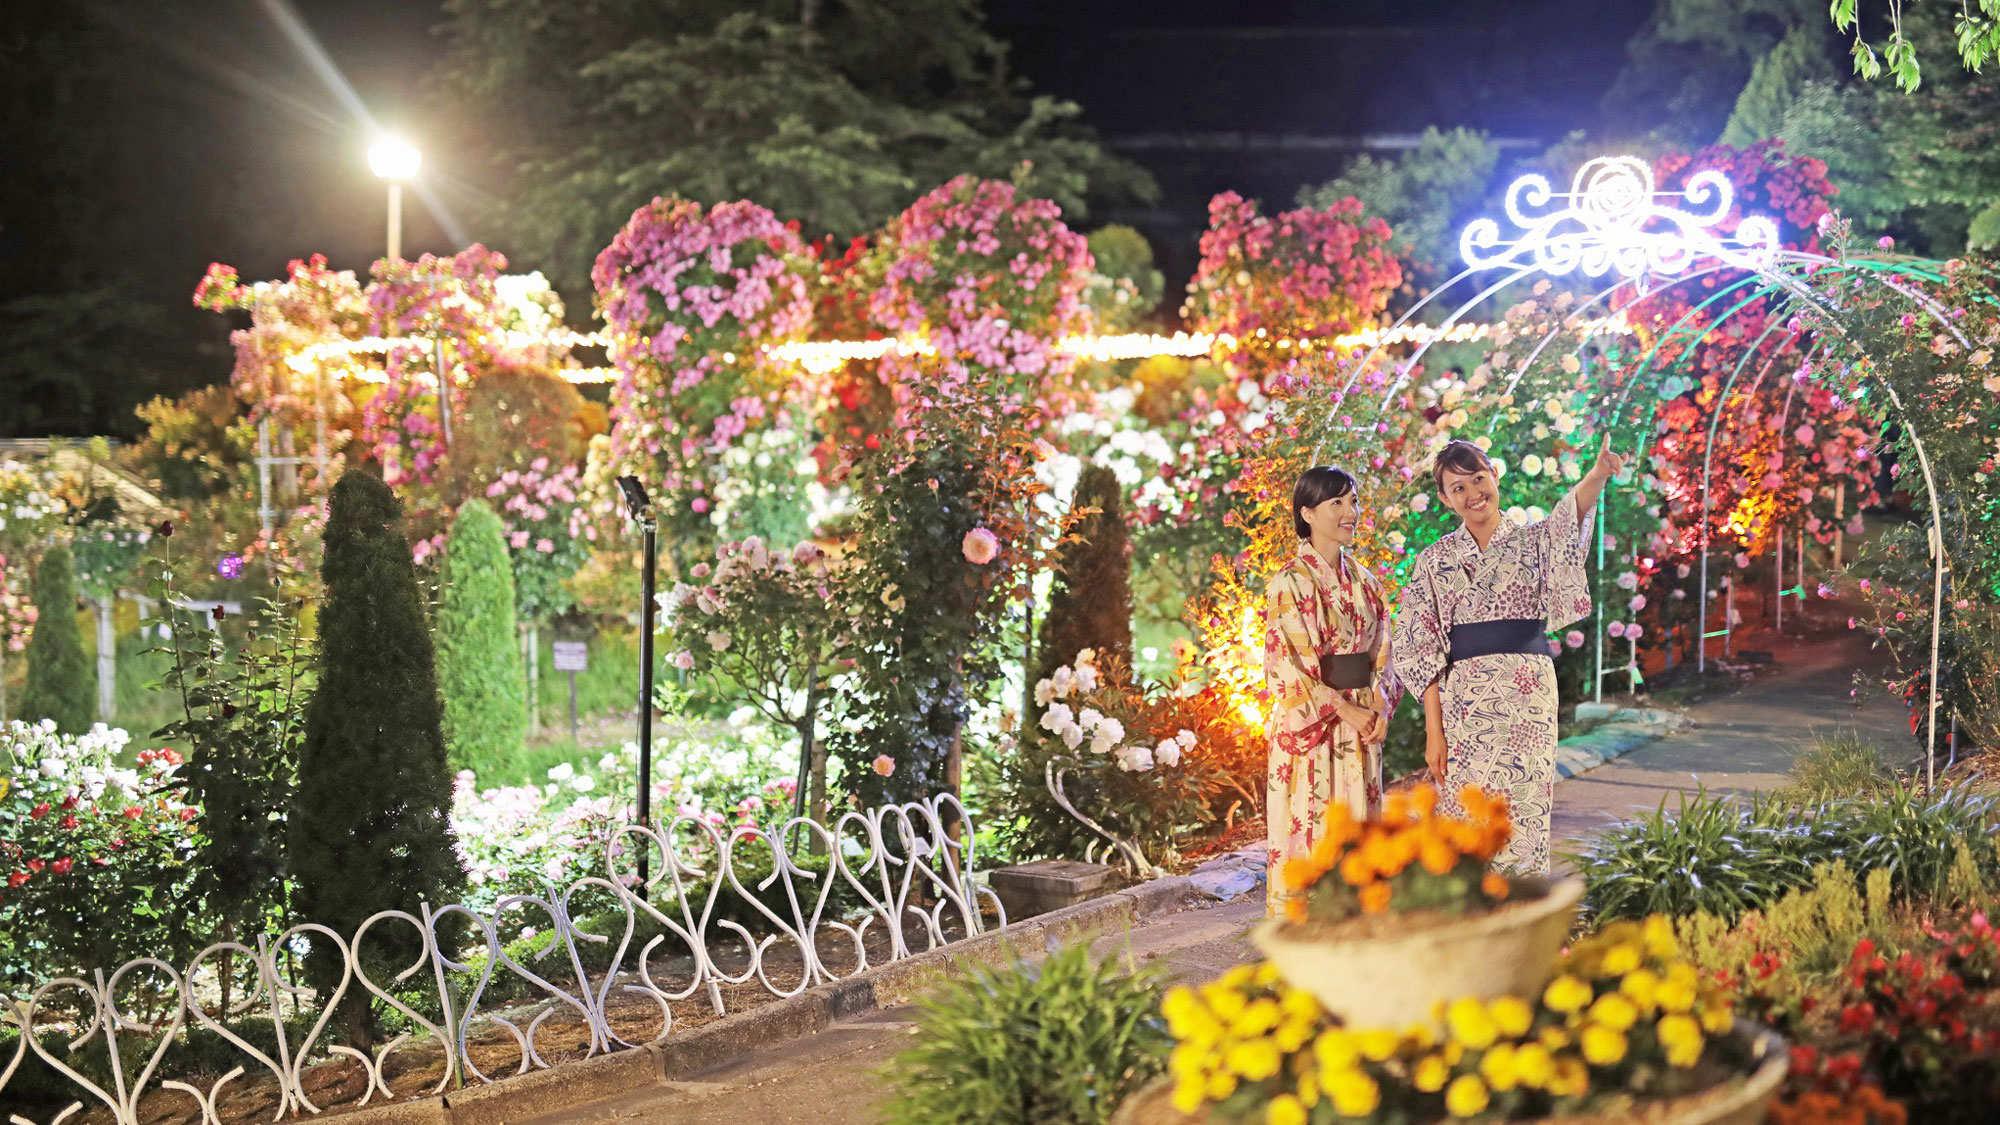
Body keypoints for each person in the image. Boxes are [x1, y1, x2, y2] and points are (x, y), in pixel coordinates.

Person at [1392, 437, 1627, 875]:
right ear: (1444, 499)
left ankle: (1524, 914)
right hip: (1466, 700)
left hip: (1529, 696)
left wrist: (1596, 476)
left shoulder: (1535, 541)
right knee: (1466, 810)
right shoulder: (1434, 561)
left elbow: (1568, 516)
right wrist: (1433, 730)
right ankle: (1472, 916)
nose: (1473, 493)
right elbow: (1419, 646)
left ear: (1494, 476)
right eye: (1457, 487)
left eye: (1478, 478)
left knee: (1524, 810)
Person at [1262, 465, 1395, 916]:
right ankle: (1304, 938)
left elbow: (1383, 651)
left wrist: (1380, 705)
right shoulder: (1290, 582)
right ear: (1307, 513)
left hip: (1362, 722)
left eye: (1352, 501)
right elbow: (1288, 665)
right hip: (1317, 726)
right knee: (1312, 831)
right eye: (1336, 503)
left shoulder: (1366, 582)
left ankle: (1360, 930)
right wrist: (1345, 710)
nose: (1349, 512)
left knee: (1360, 831)